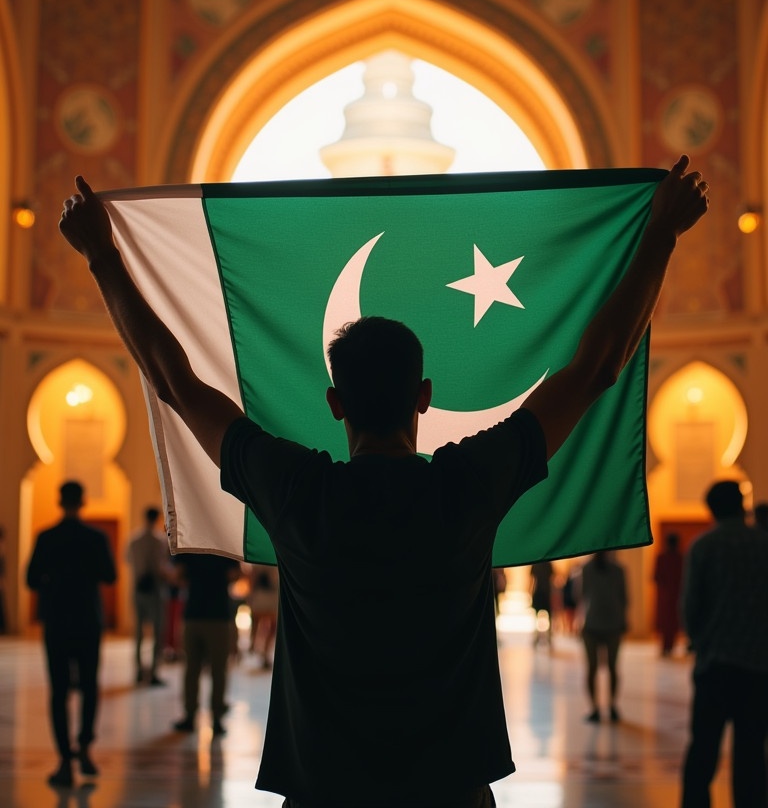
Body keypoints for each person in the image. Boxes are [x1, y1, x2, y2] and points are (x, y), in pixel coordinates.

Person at [58, 155, 708, 806]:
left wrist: (102, 256)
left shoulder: (297, 491)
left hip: (323, 788)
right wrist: (660, 234)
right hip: (449, 788)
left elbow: (174, 383)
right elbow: (595, 368)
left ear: (335, 403)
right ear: (424, 395)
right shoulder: (467, 485)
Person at [680, 480, 768, 808]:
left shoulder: (705, 546)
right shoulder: (763, 543)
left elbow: (691, 607)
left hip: (716, 666)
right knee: (751, 754)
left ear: (713, 510)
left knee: (703, 752)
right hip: (758, 668)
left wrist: (701, 642)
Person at [26, 481, 116, 788]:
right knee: (89, 686)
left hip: (57, 622)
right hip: (88, 620)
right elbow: (110, 575)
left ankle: (65, 759)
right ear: (84, 501)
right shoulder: (96, 538)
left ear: (59, 501)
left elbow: (30, 579)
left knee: (59, 689)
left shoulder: (47, 537)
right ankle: (85, 748)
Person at [171, 553, 241, 736]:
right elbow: (236, 574)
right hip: (218, 614)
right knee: (218, 670)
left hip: (195, 612)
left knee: (192, 669)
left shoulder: (190, 545)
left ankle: (190, 715)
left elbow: (178, 576)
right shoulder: (223, 543)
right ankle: (216, 718)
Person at [579, 550, 627, 723]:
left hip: (608, 624)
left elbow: (624, 597)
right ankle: (596, 707)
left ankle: (610, 705)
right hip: (594, 624)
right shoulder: (588, 570)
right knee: (595, 668)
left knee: (610, 668)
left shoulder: (617, 570)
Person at [125, 505, 169, 685]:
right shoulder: (159, 540)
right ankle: (153, 671)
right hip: (155, 590)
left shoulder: (134, 539)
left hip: (137, 589)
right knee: (157, 632)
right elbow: (161, 567)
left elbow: (127, 560)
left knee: (138, 632)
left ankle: (137, 669)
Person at [653, 531, 683, 656]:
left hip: (666, 595)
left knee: (667, 623)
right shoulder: (680, 558)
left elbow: (656, 577)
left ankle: (667, 647)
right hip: (675, 595)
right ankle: (668, 646)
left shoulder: (662, 557)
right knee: (671, 622)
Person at [529, 560, 554, 647]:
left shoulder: (536, 563)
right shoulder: (548, 564)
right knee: (547, 617)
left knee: (537, 616)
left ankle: (540, 637)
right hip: (545, 592)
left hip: (540, 592)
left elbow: (532, 580)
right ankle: (547, 638)